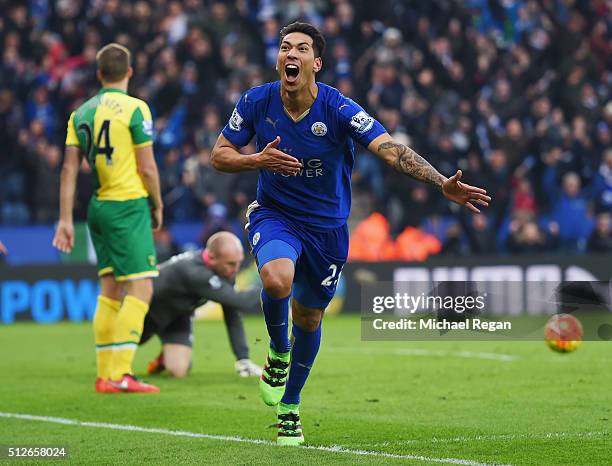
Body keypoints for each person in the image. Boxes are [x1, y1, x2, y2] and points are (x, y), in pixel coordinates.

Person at [211, 22, 491, 445]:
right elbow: (219, 155)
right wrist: (259, 162)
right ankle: (278, 351)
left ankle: (290, 406)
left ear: (316, 63)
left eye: (301, 49)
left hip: (327, 230)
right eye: (285, 47)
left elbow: (391, 149)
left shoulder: (340, 109)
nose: (291, 54)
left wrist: (439, 182)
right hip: (275, 214)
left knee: (309, 316)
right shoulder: (255, 101)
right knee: (276, 278)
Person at [52, 43, 163, 394]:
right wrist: (157, 203)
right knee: (142, 287)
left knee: (111, 288)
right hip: (127, 205)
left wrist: (65, 220)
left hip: (97, 207)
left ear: (99, 75)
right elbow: (146, 165)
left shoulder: (80, 113)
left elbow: (69, 169)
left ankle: (105, 376)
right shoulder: (135, 108)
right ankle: (121, 374)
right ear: (129, 72)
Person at [142, 231, 262, 378]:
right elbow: (240, 301)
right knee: (118, 346)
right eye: (231, 263)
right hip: (147, 311)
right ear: (211, 258)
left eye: (239, 262)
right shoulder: (195, 272)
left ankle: (164, 358)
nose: (236, 269)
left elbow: (232, 310)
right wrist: (270, 287)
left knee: (178, 371)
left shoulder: (224, 270)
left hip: (178, 315)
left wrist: (243, 359)